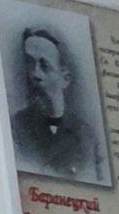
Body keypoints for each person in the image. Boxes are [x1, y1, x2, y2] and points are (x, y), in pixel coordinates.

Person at [6, 24, 108, 184]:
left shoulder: (86, 137)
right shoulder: (15, 128)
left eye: (44, 66)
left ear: (65, 78)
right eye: (30, 63)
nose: (35, 74)